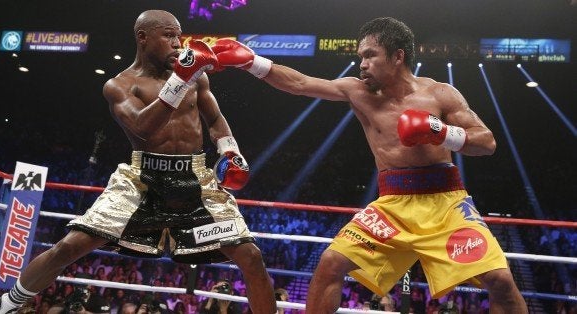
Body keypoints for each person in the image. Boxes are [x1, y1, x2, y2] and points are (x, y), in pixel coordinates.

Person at [210, 17, 528, 313]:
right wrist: (253, 63)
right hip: (392, 205)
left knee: (500, 281)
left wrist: (441, 133)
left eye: (370, 55)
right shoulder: (357, 91)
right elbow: (300, 83)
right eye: (360, 56)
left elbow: (486, 143)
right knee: (331, 263)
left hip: (447, 204)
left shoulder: (440, 93)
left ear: (397, 56)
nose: (362, 64)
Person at [0, 9, 275, 314]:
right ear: (143, 37)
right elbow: (142, 128)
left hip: (195, 184)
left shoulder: (196, 77)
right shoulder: (120, 85)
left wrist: (230, 151)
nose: (178, 43)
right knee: (70, 246)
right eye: (168, 35)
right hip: (141, 183)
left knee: (250, 255)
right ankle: (7, 304)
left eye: (179, 36)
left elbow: (215, 119)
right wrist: (180, 79)